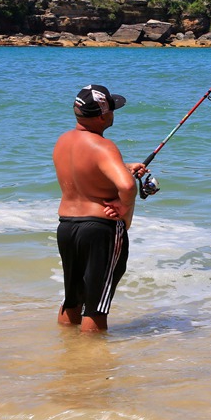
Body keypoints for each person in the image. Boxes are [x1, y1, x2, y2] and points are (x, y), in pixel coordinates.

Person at [52, 84, 146, 332]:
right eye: (112, 110)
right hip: (99, 230)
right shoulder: (104, 146)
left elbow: (86, 170)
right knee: (96, 307)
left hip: (67, 228)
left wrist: (122, 166)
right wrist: (123, 207)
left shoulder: (63, 141)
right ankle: (91, 365)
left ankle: (67, 352)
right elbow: (127, 187)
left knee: (72, 300)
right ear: (103, 115)